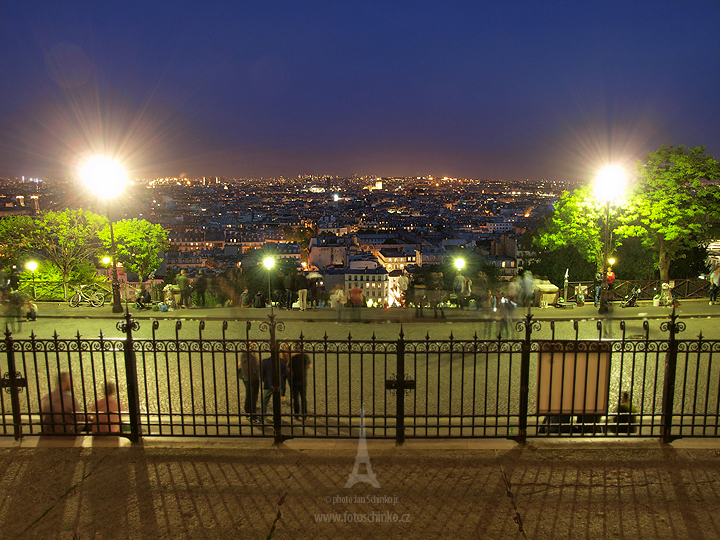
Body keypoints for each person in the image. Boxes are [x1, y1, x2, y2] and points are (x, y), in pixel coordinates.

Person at [286, 346, 312, 421]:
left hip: (294, 380)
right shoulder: (305, 357)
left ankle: (296, 414)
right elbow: (309, 366)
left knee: (296, 398)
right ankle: (304, 414)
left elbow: (288, 369)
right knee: (303, 397)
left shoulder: (293, 358)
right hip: (303, 380)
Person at [261, 351, 288, 419]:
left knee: (265, 401)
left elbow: (262, 374)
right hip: (279, 384)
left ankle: (263, 416)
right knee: (277, 403)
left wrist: (265, 381)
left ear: (270, 353)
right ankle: (276, 417)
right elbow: (285, 374)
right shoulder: (282, 361)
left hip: (268, 384)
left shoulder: (265, 361)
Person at [238, 347, 260, 422]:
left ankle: (247, 411)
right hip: (253, 379)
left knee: (248, 394)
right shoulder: (252, 357)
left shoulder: (243, 355)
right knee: (253, 396)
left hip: (245, 378)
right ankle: (253, 414)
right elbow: (255, 370)